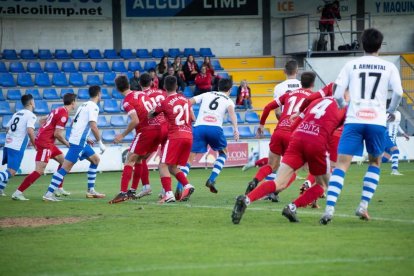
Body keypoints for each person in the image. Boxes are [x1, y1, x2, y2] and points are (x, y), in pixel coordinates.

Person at [320, 28, 404, 224]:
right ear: (379, 46)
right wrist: (390, 110)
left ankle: (329, 209)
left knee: (341, 165)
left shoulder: (351, 65)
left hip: (354, 120)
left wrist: (344, 106)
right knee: (375, 162)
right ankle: (363, 206)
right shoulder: (389, 66)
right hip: (376, 122)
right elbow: (398, 92)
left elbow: (338, 94)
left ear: (361, 44)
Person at [232, 95, 347, 224]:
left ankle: (246, 199)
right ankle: (292, 207)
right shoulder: (345, 106)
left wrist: (294, 137)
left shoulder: (317, 100)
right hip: (317, 141)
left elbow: (299, 119)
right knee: (323, 185)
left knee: (278, 182)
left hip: (298, 137)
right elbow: (341, 131)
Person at [244, 72, 316, 195]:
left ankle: (255, 180)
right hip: (293, 134)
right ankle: (273, 193)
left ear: (301, 82)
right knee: (292, 171)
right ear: (313, 84)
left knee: (272, 165)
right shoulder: (314, 97)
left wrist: (261, 125)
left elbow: (267, 107)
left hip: (279, 132)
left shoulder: (289, 94)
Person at [109, 74, 168, 204]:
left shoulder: (127, 101)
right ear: (129, 85)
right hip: (159, 128)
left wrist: (122, 135)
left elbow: (135, 120)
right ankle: (132, 190)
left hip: (146, 130)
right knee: (139, 159)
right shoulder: (141, 94)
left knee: (129, 159)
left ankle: (123, 193)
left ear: (118, 89)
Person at [176, 78, 239, 196]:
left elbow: (187, 102)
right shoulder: (229, 101)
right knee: (223, 153)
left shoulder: (207, 94)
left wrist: (191, 115)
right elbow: (232, 114)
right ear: (230, 90)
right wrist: (236, 129)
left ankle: (180, 186)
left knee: (188, 160)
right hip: (215, 128)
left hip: (199, 128)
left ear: (218, 87)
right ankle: (211, 179)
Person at [42, 86, 107, 202]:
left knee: (95, 160)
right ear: (99, 94)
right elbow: (93, 126)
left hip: (79, 140)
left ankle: (90, 190)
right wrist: (100, 143)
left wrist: (86, 137)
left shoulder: (83, 105)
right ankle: (48, 193)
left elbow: (74, 123)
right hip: (78, 143)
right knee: (65, 168)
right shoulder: (94, 107)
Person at [11, 93, 76, 200]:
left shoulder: (58, 109)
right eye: (75, 101)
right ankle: (18, 193)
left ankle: (58, 187)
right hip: (45, 143)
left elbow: (42, 119)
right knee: (39, 170)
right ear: (73, 102)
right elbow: (57, 134)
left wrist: (44, 130)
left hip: (47, 141)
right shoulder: (64, 115)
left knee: (63, 162)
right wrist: (67, 143)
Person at [150, 76, 195, 203]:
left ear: (164, 87)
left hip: (175, 135)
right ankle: (187, 185)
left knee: (162, 165)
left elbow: (152, 114)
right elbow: (193, 117)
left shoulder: (164, 102)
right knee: (172, 167)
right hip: (188, 135)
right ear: (176, 86)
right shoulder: (186, 100)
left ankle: (168, 194)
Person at [0, 95, 37, 196]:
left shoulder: (17, 113)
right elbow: (30, 131)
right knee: (12, 171)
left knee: (9, 169)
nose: (34, 103)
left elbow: (7, 129)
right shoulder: (31, 115)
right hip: (16, 146)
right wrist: (35, 145)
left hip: (8, 144)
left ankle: (0, 189)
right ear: (31, 103)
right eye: (33, 101)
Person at [382, 110, 410, 175]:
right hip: (387, 136)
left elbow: (397, 125)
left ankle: (371, 159)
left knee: (385, 159)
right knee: (396, 151)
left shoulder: (398, 113)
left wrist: (403, 134)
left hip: (393, 138)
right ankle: (394, 170)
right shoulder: (387, 113)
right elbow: (382, 123)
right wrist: (387, 119)